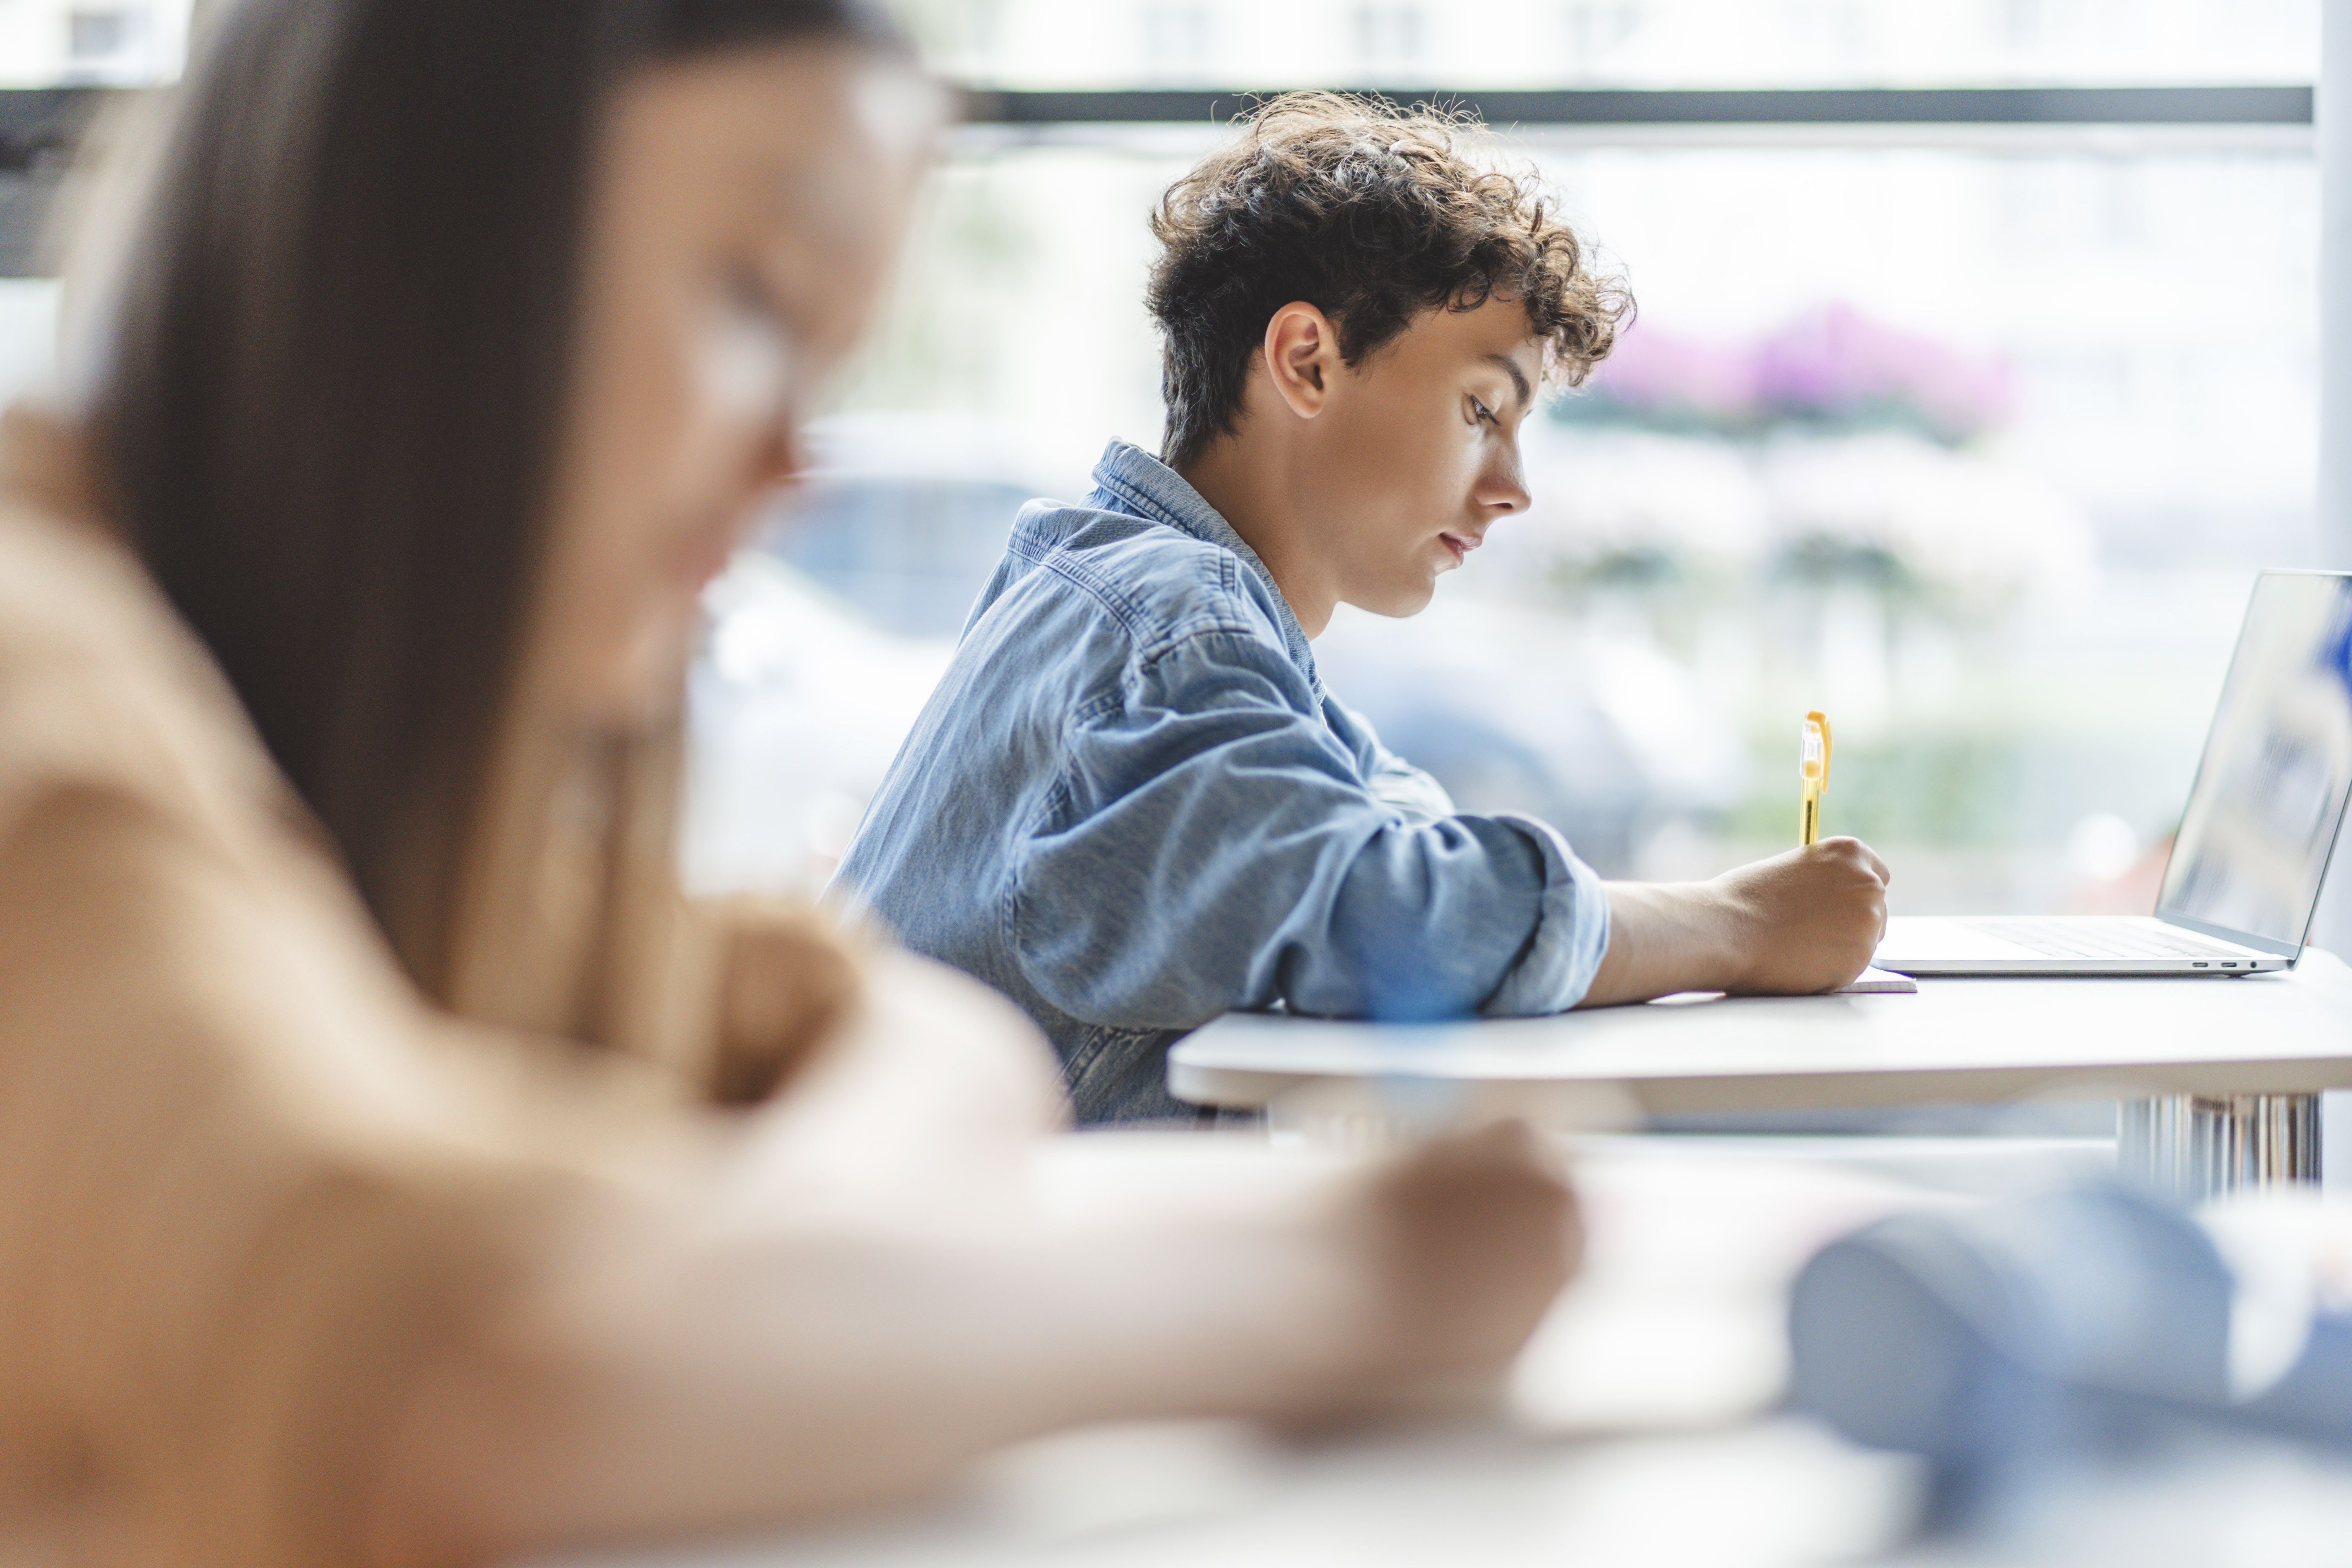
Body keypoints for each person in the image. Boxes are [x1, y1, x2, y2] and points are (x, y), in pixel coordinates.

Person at [0, 9, 1584, 1566]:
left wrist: (787, 1243)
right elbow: (454, 1386)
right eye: (750, 299)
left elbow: (899, 1027)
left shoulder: (332, 755)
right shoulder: (42, 683)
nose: (787, 470)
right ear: (430, 217)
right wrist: (1341, 1282)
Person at [832, 93, 1893, 1125]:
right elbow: (1398, 917)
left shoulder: (1131, 602)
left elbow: (1402, 831)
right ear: (1305, 361)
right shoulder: (1168, 628)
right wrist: (1735, 925)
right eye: (1481, 409)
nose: (1514, 486)